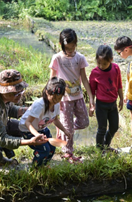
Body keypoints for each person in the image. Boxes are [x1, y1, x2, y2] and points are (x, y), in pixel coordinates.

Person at [49, 28, 94, 163]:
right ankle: (68, 154)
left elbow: (84, 79)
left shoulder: (80, 58)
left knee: (84, 122)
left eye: (73, 47)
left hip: (78, 96)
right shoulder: (57, 58)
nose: (70, 50)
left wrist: (91, 98)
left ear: (76, 43)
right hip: (64, 99)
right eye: (67, 48)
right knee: (68, 128)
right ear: (60, 44)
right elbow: (52, 79)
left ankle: (63, 129)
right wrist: (50, 100)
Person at [19, 77, 72, 167]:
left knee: (52, 148)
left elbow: (55, 119)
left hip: (41, 128)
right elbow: (28, 122)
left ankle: (44, 165)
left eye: (59, 98)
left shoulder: (56, 105)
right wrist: (36, 135)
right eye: (54, 97)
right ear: (47, 92)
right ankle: (36, 168)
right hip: (28, 129)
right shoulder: (39, 105)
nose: (56, 100)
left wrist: (65, 130)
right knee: (44, 149)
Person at [89, 45, 123, 154]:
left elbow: (119, 85)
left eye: (104, 63)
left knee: (114, 127)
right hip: (101, 105)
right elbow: (92, 90)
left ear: (111, 60)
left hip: (112, 104)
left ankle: (106, 145)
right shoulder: (95, 73)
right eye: (99, 63)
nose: (101, 66)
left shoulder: (116, 68)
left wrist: (121, 99)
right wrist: (91, 105)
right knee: (102, 129)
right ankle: (99, 150)